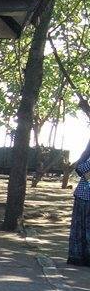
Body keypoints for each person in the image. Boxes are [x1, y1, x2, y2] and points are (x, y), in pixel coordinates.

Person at [67, 104, 90, 266]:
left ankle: (80, 256)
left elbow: (80, 168)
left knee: (81, 228)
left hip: (84, 195)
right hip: (84, 195)